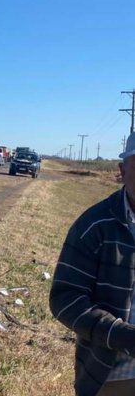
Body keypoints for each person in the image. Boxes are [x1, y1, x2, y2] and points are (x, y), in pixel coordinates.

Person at [50, 131, 135, 396]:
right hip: (113, 376)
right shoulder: (94, 226)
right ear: (122, 170)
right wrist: (120, 335)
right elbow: (65, 298)